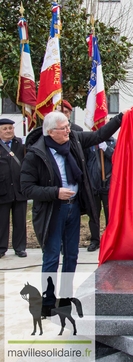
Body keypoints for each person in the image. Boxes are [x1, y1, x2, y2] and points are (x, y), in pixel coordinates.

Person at [20, 110, 124, 275]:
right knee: (52, 256)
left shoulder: (74, 139)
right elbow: (26, 189)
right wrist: (55, 192)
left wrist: (120, 118)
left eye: (68, 126)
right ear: (50, 132)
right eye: (63, 128)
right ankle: (49, 298)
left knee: (71, 256)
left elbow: (98, 136)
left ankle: (66, 296)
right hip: (52, 211)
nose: (68, 130)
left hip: (73, 208)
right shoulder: (36, 155)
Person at [0, 118, 27, 258]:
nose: (8, 131)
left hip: (19, 189)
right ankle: (1, 248)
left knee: (20, 221)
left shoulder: (20, 144)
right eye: (5, 129)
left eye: (10, 128)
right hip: (2, 190)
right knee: (2, 222)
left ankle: (20, 247)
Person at [86, 137, 116, 252]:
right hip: (93, 185)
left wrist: (106, 149)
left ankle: (110, 240)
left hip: (108, 185)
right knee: (93, 215)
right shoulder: (90, 143)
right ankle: (94, 240)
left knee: (110, 215)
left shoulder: (114, 142)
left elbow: (117, 158)